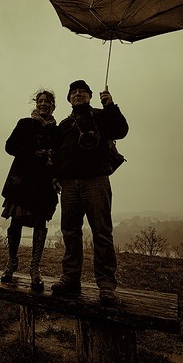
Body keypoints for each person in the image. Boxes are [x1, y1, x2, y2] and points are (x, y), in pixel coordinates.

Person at [51, 80, 129, 306]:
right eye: (74, 92)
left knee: (102, 233)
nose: (78, 94)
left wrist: (111, 106)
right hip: (69, 185)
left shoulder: (101, 116)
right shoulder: (64, 125)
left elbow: (121, 131)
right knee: (70, 232)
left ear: (90, 96)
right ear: (69, 99)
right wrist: (55, 176)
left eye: (82, 91)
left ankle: (106, 286)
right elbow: (57, 153)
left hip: (96, 181)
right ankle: (70, 278)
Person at [0, 89, 59, 291]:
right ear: (36, 104)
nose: (43, 104)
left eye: (48, 101)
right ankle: (12, 263)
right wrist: (33, 152)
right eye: (40, 101)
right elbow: (9, 147)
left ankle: (35, 268)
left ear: (53, 106)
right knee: (16, 222)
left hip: (43, 184)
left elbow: (60, 156)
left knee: (40, 224)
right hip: (22, 182)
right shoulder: (24, 124)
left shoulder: (56, 131)